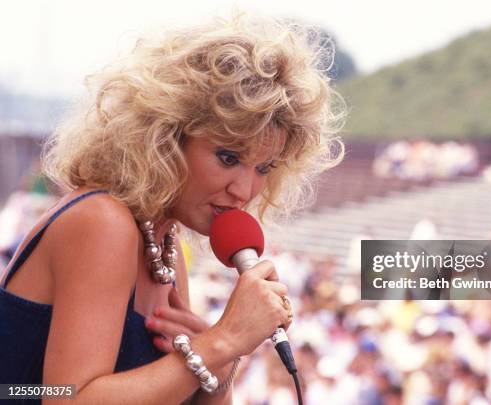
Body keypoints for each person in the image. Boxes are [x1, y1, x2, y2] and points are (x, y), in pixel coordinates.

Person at [0, 12, 344, 405]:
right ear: (165, 139)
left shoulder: (163, 244)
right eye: (228, 157)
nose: (244, 190)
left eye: (264, 168)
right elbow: (65, 399)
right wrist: (220, 341)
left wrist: (220, 365)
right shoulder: (103, 222)